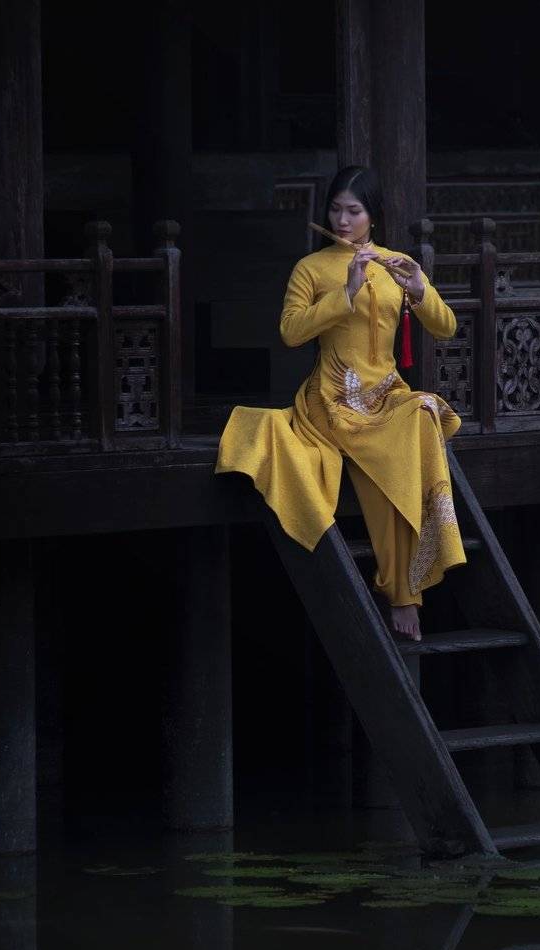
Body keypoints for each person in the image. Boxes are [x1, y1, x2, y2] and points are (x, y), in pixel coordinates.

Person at [214, 165, 466, 644]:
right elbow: (290, 333)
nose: (344, 219)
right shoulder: (311, 268)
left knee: (422, 415)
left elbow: (446, 326)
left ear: (373, 216)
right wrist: (345, 291)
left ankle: (410, 580)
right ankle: (403, 593)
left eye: (354, 210)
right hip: (331, 397)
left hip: (386, 393)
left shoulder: (397, 262)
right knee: (383, 459)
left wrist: (417, 288)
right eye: (336, 208)